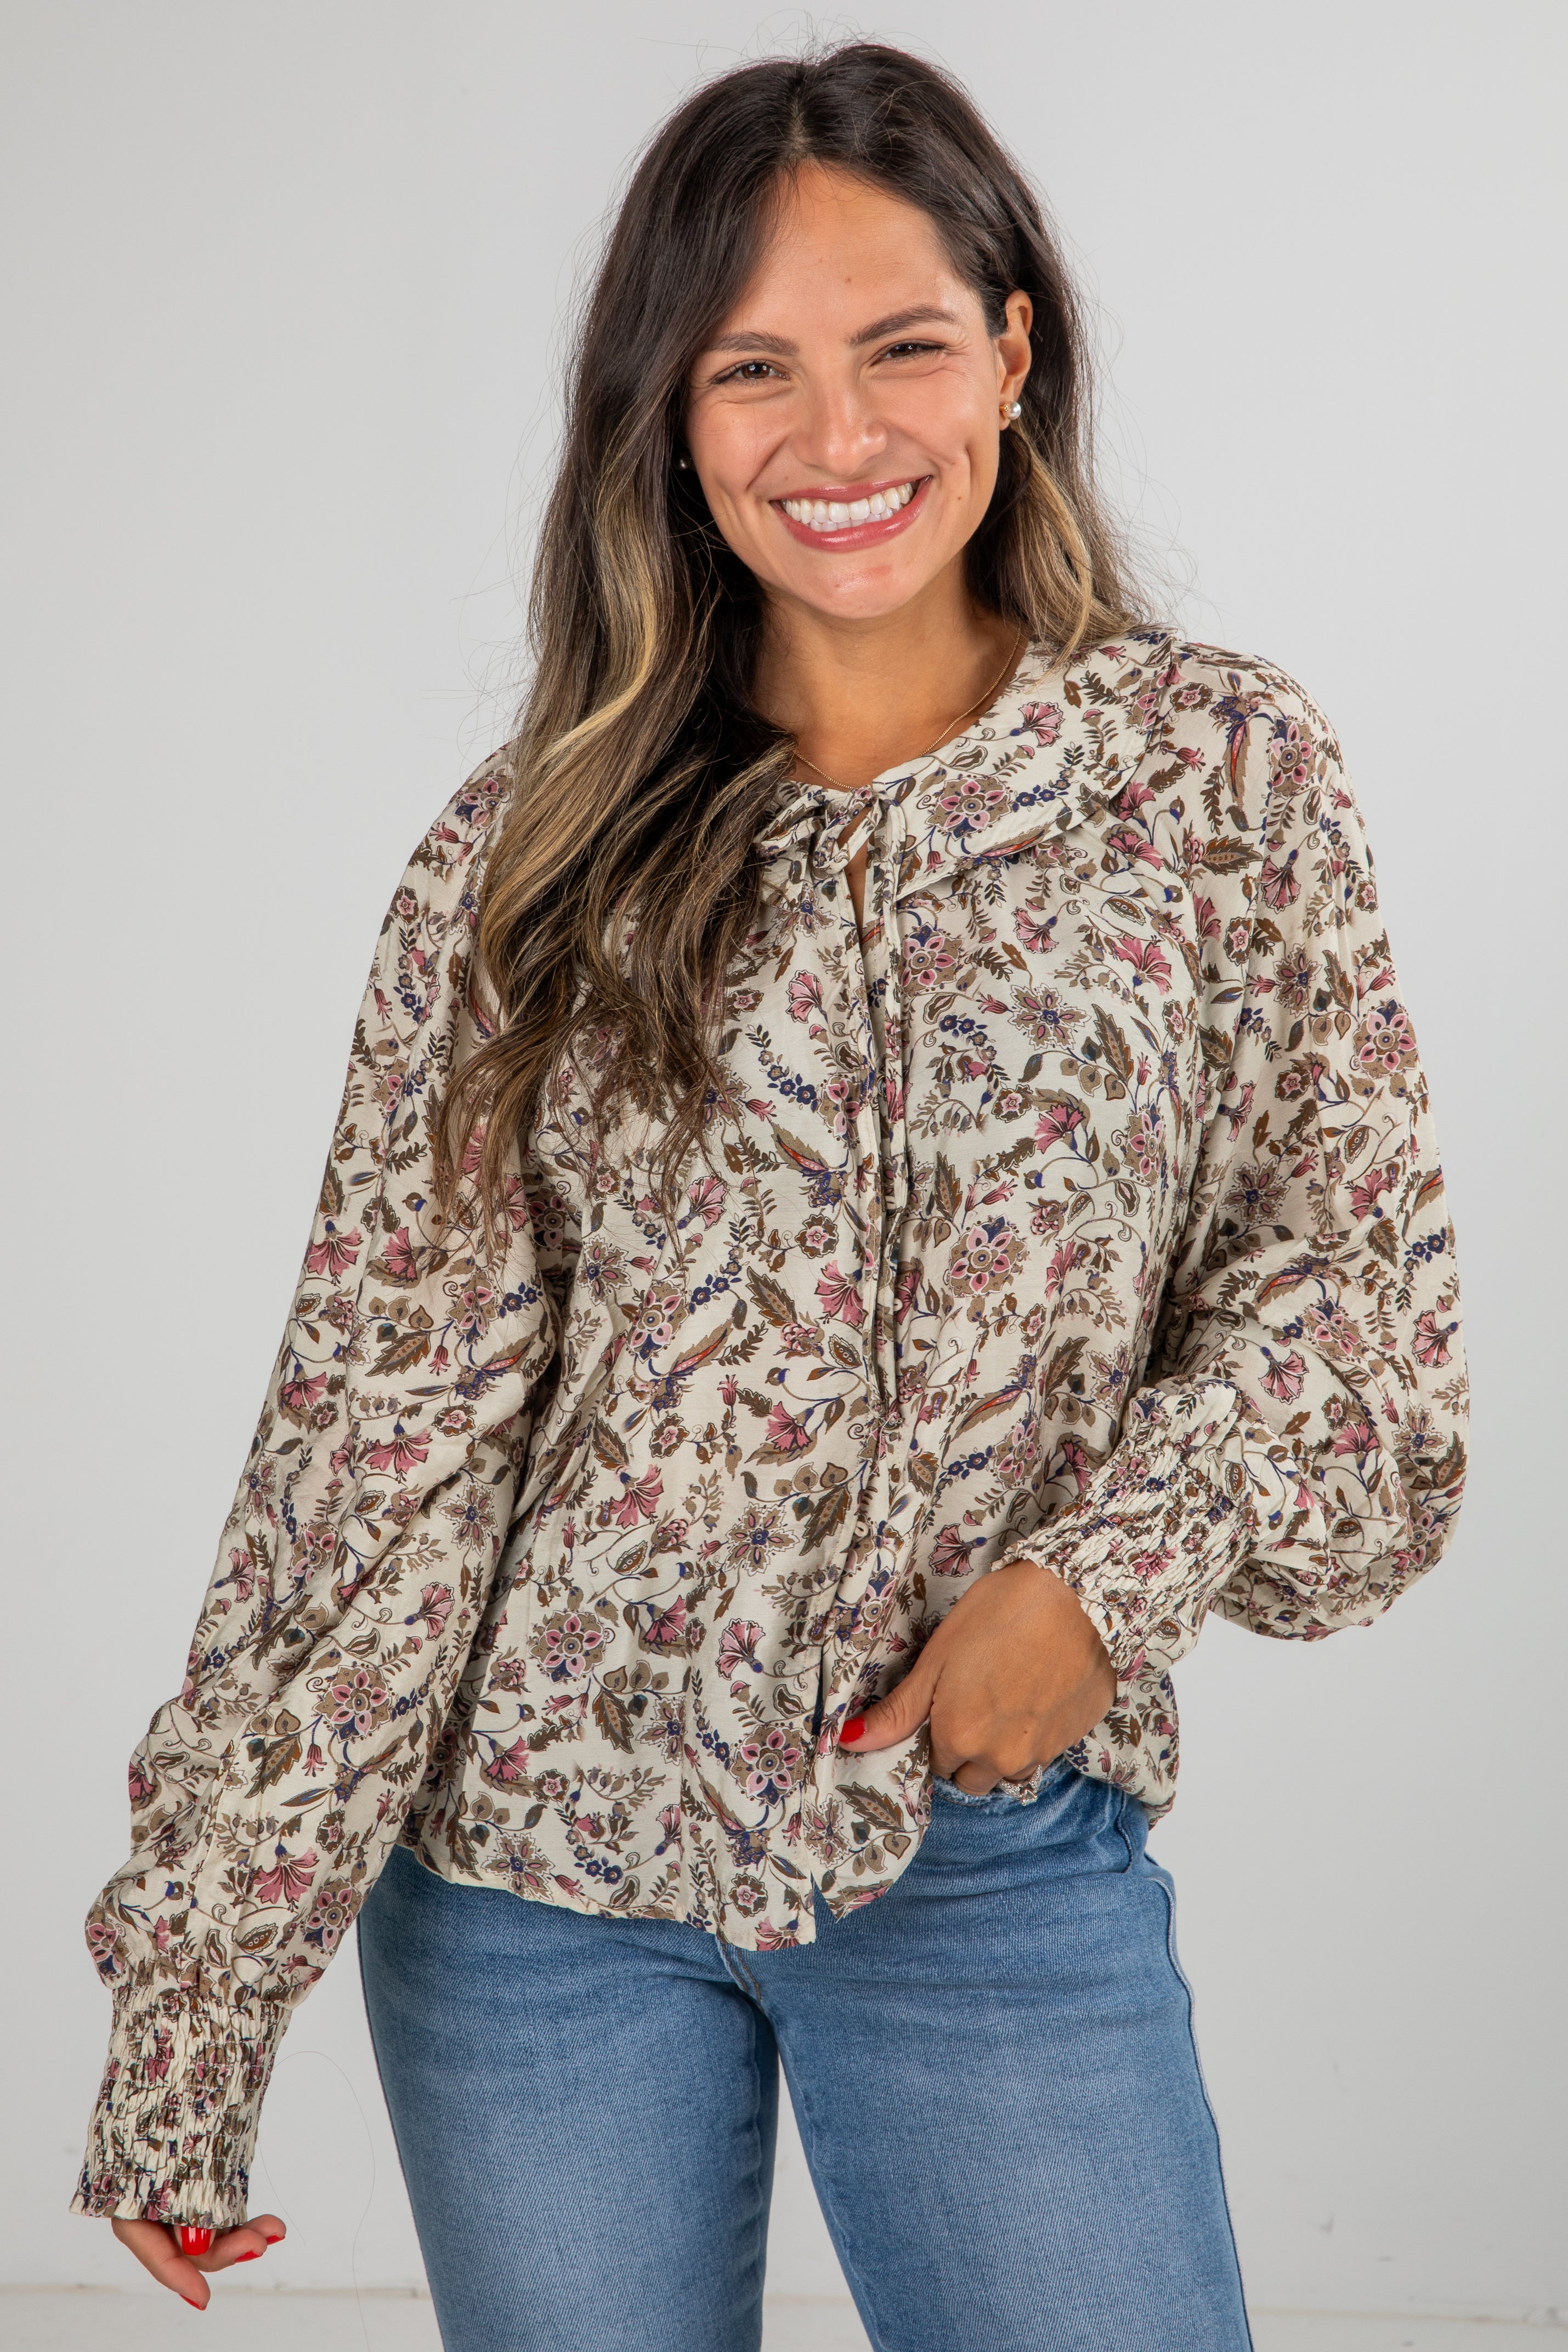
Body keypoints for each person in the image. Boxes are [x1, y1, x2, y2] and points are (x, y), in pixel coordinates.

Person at [75, 42, 1468, 2352]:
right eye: (753, 372)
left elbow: (1355, 1323)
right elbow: (374, 1440)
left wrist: (1093, 1582)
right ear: (672, 420)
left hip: (984, 1857)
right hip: (529, 1895)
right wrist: (197, 1995)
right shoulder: (522, 857)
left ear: (1011, 351)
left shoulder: (1215, 778)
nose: (838, 439)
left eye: (901, 344)